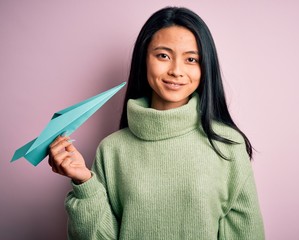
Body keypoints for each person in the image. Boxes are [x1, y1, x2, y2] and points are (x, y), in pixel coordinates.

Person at [48, 6, 265, 240]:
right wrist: (84, 182)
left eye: (191, 59)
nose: (176, 71)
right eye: (163, 55)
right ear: (144, 60)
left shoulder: (228, 146)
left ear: (205, 68)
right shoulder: (112, 149)